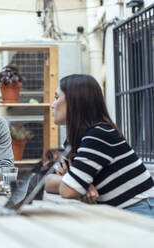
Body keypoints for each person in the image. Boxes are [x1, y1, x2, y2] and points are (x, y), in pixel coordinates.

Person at [44, 74, 154, 217]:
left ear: (74, 101)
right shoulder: (74, 141)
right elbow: (47, 181)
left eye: (57, 97)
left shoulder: (98, 135)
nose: (52, 104)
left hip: (140, 209)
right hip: (119, 210)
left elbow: (68, 190)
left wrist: (76, 185)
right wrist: (80, 185)